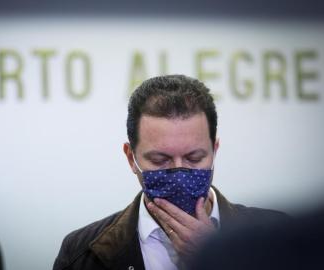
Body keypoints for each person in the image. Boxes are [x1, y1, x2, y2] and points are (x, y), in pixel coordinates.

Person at [52, 75, 288, 270]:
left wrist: (218, 259)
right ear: (130, 158)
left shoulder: (280, 238)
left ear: (214, 151)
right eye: (160, 160)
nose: (178, 173)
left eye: (194, 158)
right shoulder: (81, 254)